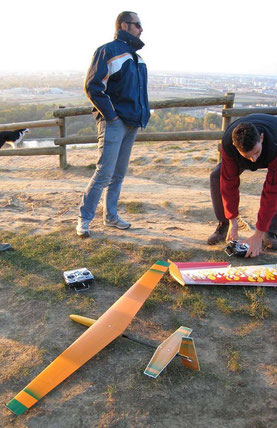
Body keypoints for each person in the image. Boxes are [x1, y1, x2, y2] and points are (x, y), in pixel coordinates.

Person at [76, 11, 150, 237]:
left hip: (132, 123)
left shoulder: (137, 57)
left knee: (119, 174)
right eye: (138, 25)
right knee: (104, 173)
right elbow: (92, 87)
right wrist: (112, 116)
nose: (141, 29)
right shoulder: (108, 51)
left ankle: (111, 217)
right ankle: (84, 219)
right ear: (125, 25)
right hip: (114, 122)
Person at [207, 113, 277, 257]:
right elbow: (229, 184)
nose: (253, 160)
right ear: (235, 147)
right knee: (217, 176)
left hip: (274, 146)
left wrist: (258, 233)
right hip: (245, 150)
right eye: (248, 156)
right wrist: (233, 220)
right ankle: (224, 225)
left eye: (256, 152)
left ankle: (271, 231)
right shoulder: (229, 143)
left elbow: (271, 192)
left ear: (261, 138)